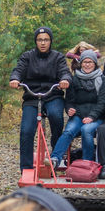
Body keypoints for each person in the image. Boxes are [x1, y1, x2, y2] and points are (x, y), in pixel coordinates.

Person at [9, 27, 71, 171]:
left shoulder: (58, 57)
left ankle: (57, 156)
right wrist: (15, 79)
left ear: (50, 41)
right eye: (40, 40)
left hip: (52, 95)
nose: (43, 43)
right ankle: (26, 168)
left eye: (46, 39)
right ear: (36, 41)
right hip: (32, 96)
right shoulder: (27, 56)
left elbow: (65, 72)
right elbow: (18, 70)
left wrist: (65, 80)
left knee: (56, 117)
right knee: (26, 130)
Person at [47, 50, 105, 170]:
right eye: (85, 62)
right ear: (81, 63)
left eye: (90, 62)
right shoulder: (75, 79)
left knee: (86, 130)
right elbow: (69, 100)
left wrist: (92, 116)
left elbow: (103, 102)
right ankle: (55, 159)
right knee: (69, 131)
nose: (87, 65)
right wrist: (69, 109)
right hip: (79, 115)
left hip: (96, 117)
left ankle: (87, 164)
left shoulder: (102, 79)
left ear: (95, 63)